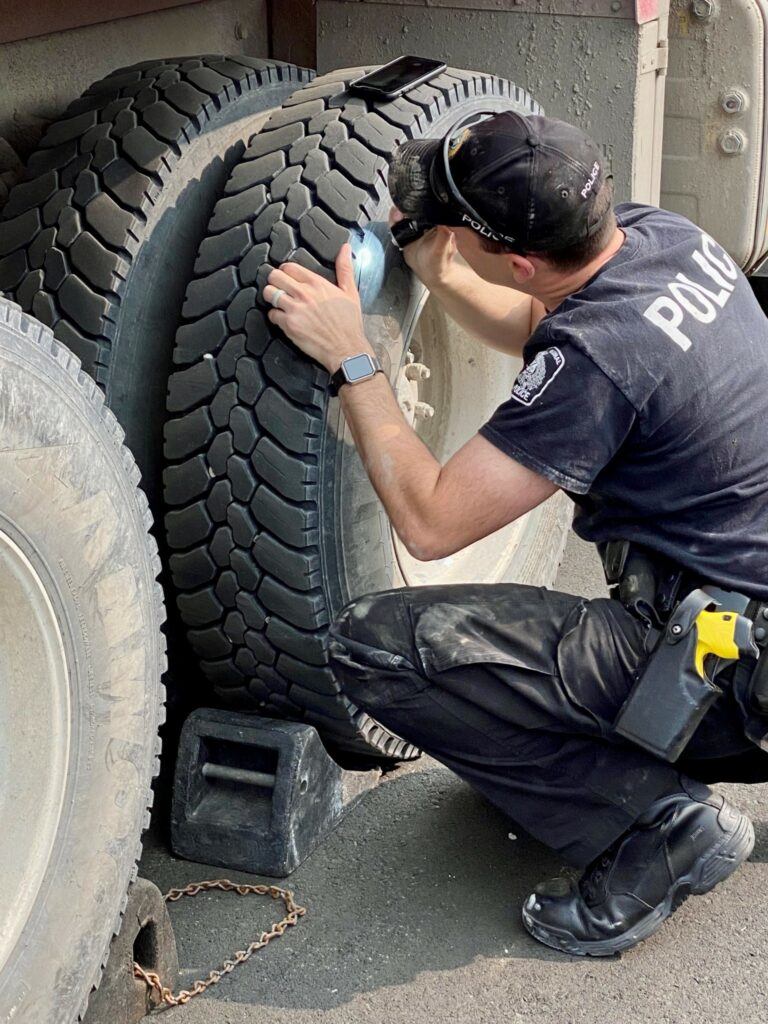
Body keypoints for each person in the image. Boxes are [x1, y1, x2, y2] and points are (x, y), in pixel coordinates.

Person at [262, 110, 768, 957]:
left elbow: (429, 522)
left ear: (523, 260)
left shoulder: (598, 365)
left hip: (728, 675)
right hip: (750, 632)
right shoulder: (658, 238)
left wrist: (353, 358)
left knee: (378, 649)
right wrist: (446, 272)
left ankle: (660, 826)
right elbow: (546, 326)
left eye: (456, 220)